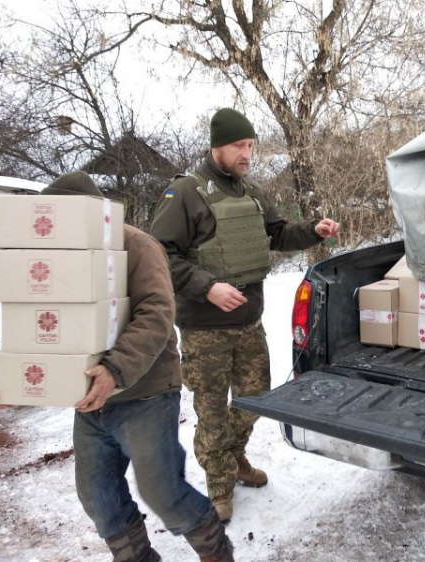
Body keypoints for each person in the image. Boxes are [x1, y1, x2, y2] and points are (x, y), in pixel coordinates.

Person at [0, 171, 234, 562]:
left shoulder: (135, 245)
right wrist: (13, 379)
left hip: (145, 393)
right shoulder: (51, 256)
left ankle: (215, 549)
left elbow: (157, 312)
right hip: (90, 401)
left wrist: (115, 370)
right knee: (98, 498)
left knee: (162, 491)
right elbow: (43, 322)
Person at [149, 108, 340, 522]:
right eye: (240, 145)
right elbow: (159, 252)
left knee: (255, 400)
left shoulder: (252, 192)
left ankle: (233, 457)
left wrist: (313, 230)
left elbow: (277, 233)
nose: (247, 154)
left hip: (249, 323)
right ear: (218, 145)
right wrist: (207, 287)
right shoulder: (185, 193)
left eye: (251, 146)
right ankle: (218, 488)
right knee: (212, 410)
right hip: (206, 328)